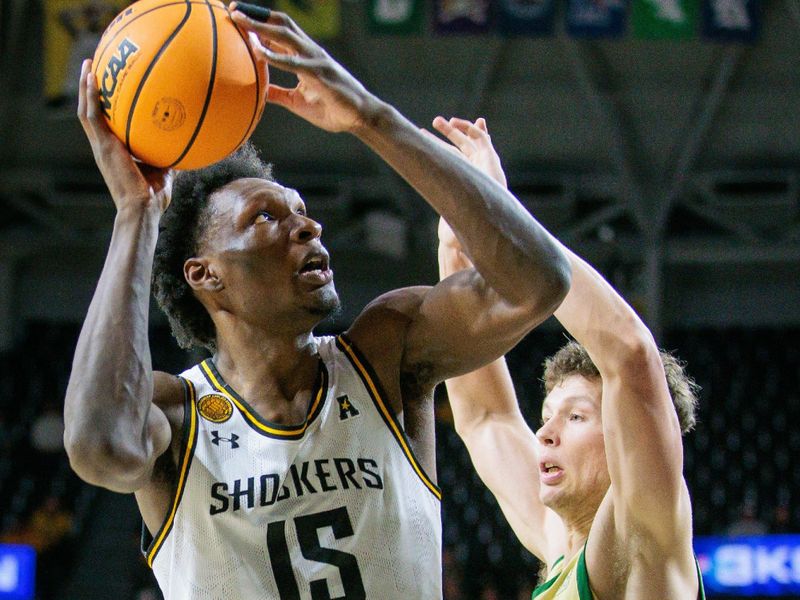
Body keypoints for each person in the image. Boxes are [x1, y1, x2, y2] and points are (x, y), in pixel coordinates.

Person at [63, 6, 571, 599]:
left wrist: (371, 118)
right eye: (266, 218)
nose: (307, 228)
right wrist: (136, 214)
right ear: (205, 275)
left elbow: (537, 283)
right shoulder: (178, 414)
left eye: (303, 213)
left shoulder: (386, 352)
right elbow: (97, 445)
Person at [433, 116, 705, 599]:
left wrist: (504, 218)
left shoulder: (644, 536)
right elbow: (485, 418)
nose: (545, 433)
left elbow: (629, 355)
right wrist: (456, 253)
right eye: (546, 416)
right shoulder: (561, 543)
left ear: (628, 434)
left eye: (576, 416)